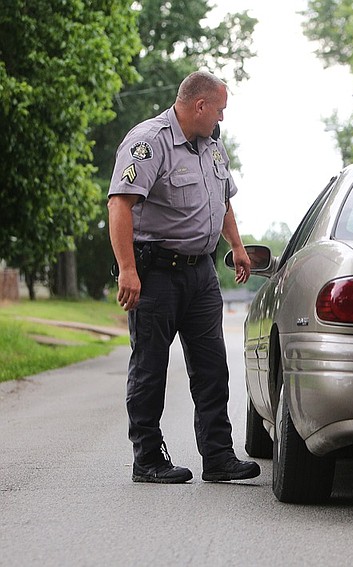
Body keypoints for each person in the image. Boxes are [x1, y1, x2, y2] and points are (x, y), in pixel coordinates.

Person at [107, 70, 260, 484]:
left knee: (212, 368)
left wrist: (238, 246)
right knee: (150, 367)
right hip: (156, 273)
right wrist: (127, 269)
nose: (222, 120)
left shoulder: (211, 146)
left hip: (202, 275)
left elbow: (223, 199)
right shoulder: (149, 141)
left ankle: (218, 456)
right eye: (220, 111)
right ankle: (148, 460)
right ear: (200, 106)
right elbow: (120, 205)